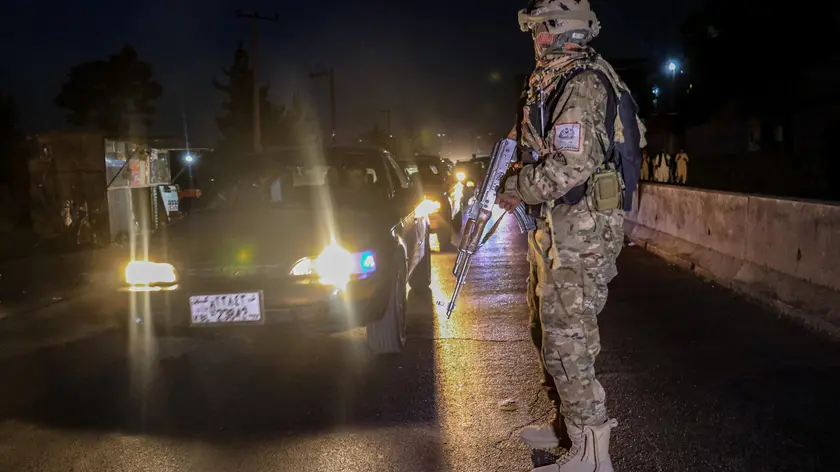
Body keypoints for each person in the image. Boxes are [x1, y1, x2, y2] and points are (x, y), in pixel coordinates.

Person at [496, 1, 645, 470]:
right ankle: (568, 426)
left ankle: (591, 453)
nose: (535, 40)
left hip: (582, 231)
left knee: (568, 339)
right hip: (559, 227)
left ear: (561, 32)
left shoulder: (582, 84)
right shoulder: (555, 81)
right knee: (547, 329)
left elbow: (569, 167)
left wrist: (517, 187)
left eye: (540, 31)